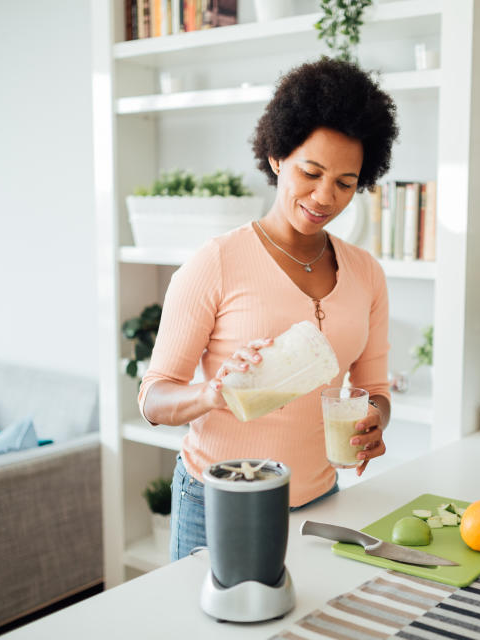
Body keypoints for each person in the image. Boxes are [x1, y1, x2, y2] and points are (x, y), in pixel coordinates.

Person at [138, 58, 399, 561]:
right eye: (311, 171)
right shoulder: (215, 263)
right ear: (278, 156)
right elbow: (154, 398)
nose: (325, 197)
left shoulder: (366, 273)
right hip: (218, 502)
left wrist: (374, 421)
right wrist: (212, 394)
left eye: (345, 183)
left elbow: (377, 391)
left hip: (322, 505)